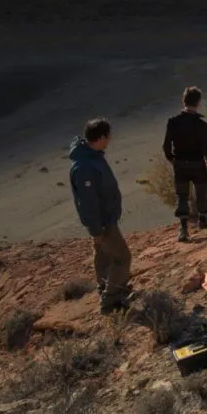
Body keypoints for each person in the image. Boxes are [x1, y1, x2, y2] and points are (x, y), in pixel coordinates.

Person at [69, 118, 132, 314]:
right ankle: (111, 299)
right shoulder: (85, 167)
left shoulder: (92, 156)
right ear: (101, 137)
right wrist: (96, 229)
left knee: (103, 255)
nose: (110, 139)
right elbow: (88, 203)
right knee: (122, 257)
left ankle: (106, 287)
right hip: (103, 222)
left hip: (104, 219)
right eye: (108, 136)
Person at [162, 86, 207, 243]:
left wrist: (172, 159)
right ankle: (204, 219)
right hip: (197, 163)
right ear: (198, 103)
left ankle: (184, 230)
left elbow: (166, 146)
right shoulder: (202, 125)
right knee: (201, 191)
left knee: (182, 196)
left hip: (180, 164)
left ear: (183, 101)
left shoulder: (172, 122)